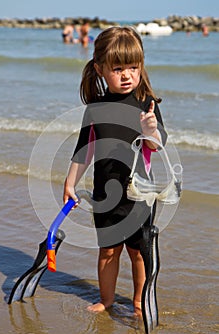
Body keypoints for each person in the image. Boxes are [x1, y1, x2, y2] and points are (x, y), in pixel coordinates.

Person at [63, 26, 167, 316]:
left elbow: (158, 147)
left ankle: (137, 301)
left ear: (141, 66)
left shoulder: (147, 103)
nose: (127, 75)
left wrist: (150, 131)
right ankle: (106, 300)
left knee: (138, 252)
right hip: (105, 195)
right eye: (118, 68)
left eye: (133, 67)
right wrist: (70, 182)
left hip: (139, 194)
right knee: (108, 251)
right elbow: (85, 149)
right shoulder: (96, 108)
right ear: (100, 69)